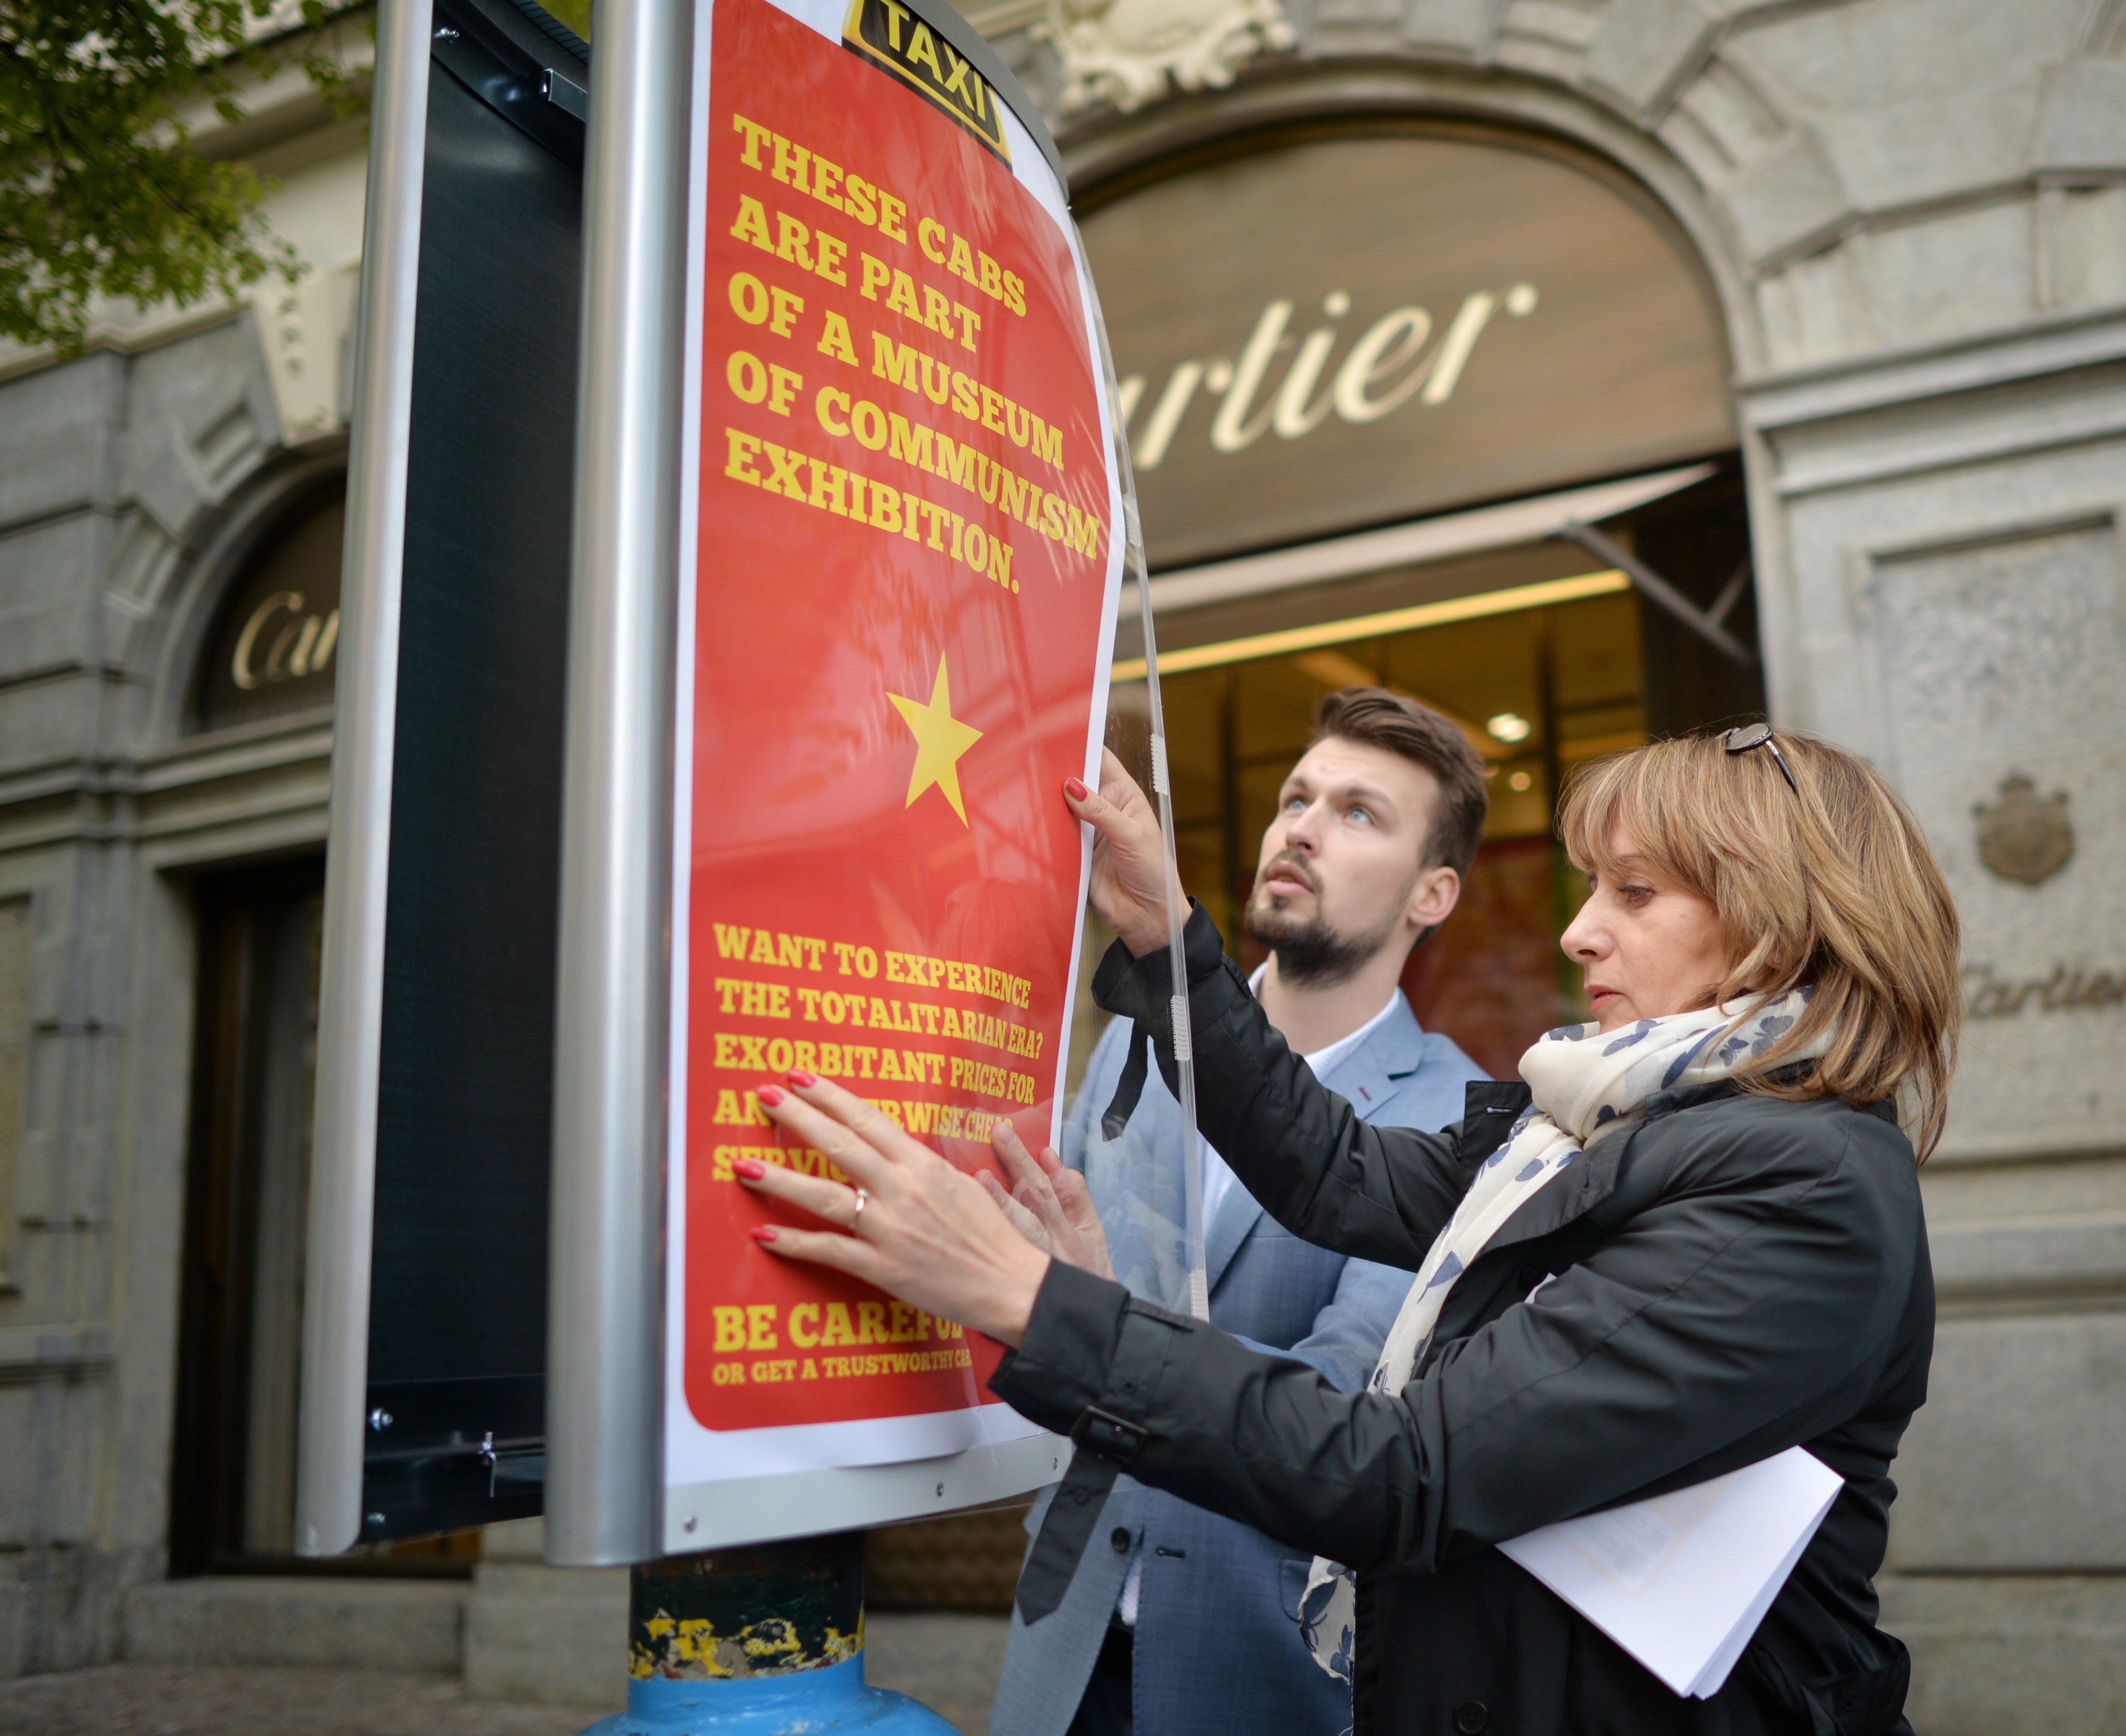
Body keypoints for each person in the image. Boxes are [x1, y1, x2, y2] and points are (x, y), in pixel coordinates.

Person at [730, 726, 1961, 1736]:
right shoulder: (1594, 1126)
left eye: (1632, 894)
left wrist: (1025, 1296)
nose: (1580, 930)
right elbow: (1337, 1171)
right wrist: (1168, 944)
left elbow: (1401, 1472)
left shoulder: (1802, 1187)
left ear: (1782, 921)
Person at [985, 688, 1491, 1736]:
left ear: (1432, 894)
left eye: (1359, 813)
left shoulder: (1452, 1120)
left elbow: (1349, 1390)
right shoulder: (1133, 1039)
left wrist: (1099, 1321)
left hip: (1256, 1661)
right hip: (1065, 1630)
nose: (1301, 826)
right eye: (1297, 796)